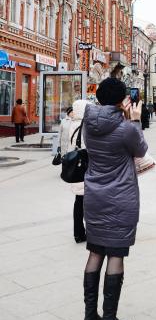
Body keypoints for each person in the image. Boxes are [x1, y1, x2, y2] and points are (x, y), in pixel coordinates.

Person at [82, 77, 147, 320]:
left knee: (95, 251)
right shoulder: (126, 128)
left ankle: (89, 319)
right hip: (121, 199)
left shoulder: (88, 122)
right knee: (116, 254)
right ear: (123, 100)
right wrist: (134, 120)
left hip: (94, 196)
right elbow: (141, 149)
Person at [61, 100, 90, 243]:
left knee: (78, 201)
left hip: (75, 166)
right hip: (84, 166)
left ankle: (78, 233)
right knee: (88, 201)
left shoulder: (72, 124)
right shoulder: (85, 125)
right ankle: (88, 231)